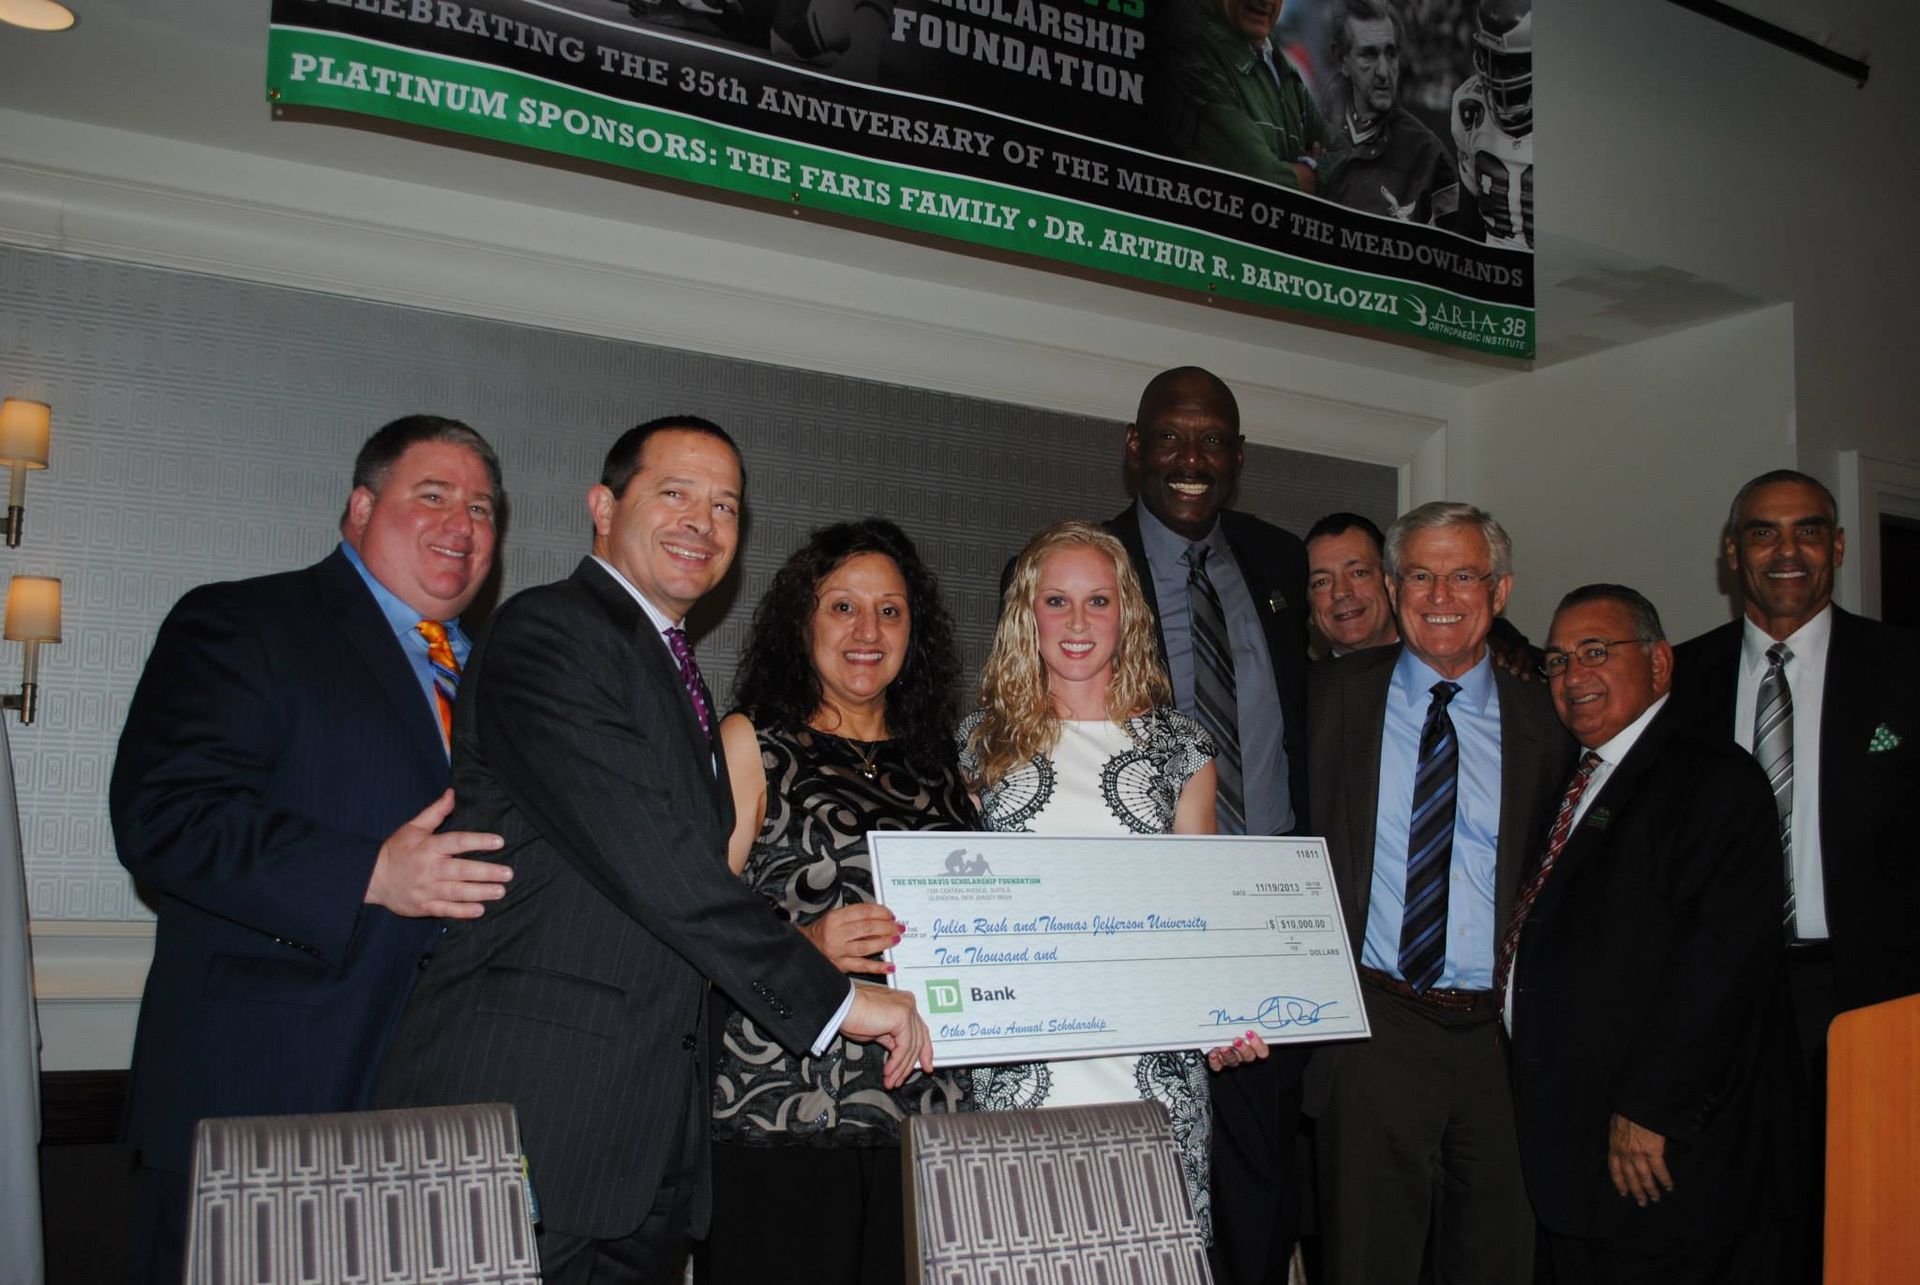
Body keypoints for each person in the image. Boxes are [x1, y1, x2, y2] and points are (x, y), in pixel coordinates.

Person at [375, 417, 931, 1285]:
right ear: (604, 506)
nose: (701, 523)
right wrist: (835, 1000)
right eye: (675, 493)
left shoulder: (675, 669)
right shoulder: (549, 632)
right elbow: (662, 863)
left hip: (644, 1146)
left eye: (725, 506)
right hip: (534, 1114)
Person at [110, 414, 515, 1283]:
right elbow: (164, 816)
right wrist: (369, 872)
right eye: (433, 495)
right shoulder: (244, 621)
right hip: (268, 1094)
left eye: (484, 508)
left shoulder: (506, 680)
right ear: (360, 507)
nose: (464, 523)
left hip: (452, 1109)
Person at [960, 520, 1268, 1253]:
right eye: (1056, 600)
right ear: (1025, 614)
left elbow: (1205, 922)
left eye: (1097, 601)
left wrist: (1226, 1016)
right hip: (1019, 1071)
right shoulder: (975, 748)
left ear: (1126, 612)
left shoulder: (1182, 752)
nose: (1077, 623)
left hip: (1152, 1077)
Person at [700, 518, 978, 1285]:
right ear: (803, 621)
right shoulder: (751, 743)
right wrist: (807, 947)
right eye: (842, 606)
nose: (868, 630)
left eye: (890, 609)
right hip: (783, 1109)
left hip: (929, 1115)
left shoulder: (948, 763)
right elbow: (695, 918)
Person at [1305, 501, 1573, 1285]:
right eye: (1420, 574)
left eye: (1463, 574)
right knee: (1363, 1261)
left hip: (1501, 1042)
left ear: (1501, 589)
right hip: (1373, 1027)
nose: (1440, 594)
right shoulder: (1324, 699)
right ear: (1393, 586)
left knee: (1497, 1260)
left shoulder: (1549, 724)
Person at [1508, 584, 1798, 1284]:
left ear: (1660, 664)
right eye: (1557, 660)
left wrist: (1648, 1108)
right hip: (1573, 1139)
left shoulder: (1712, 779)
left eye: (1597, 653)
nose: (1574, 676)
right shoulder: (1578, 778)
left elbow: (1720, 966)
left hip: (1649, 1151)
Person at [1668, 469, 1920, 1275]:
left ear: (1837, 545)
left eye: (1807, 530)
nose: (1786, 551)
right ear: (1731, 553)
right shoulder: (1677, 680)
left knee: (1856, 1221)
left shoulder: (1906, 668)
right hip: (1718, 994)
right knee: (1725, 1216)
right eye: (1762, 532)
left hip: (1863, 997)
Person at [1104, 365, 1310, 1285]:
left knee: (1261, 1186)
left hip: (1269, 924)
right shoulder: (1084, 566)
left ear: (1238, 457)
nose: (1192, 459)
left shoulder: (1279, 561)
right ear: (1135, 446)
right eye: (1172, 437)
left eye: (1213, 440)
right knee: (1146, 1173)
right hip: (1139, 928)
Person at [1162, 0, 1329, 191]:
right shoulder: (1194, 51)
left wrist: (1312, 172)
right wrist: (1314, 171)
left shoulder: (1277, 60)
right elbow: (1262, 177)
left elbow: (1347, 165)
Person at [1317, 0, 1456, 222]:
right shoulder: (1312, 134)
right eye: (1368, 55)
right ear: (1342, 60)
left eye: (1390, 54)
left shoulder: (1429, 154)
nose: (1383, 71)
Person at [1449, 0, 1534, 248]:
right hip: (1493, 277)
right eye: (1491, 59)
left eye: (1513, 65)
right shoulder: (1469, 104)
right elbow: (1467, 228)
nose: (1497, 77)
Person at [1306, 512, 1397, 656]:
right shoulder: (1291, 678)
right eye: (1322, 582)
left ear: (1390, 582)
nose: (1340, 592)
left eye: (1359, 573)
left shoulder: (1440, 669)